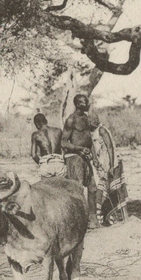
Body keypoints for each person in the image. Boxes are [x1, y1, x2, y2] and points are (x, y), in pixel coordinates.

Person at [62, 94, 102, 228]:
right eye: (86, 103)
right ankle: (77, 221)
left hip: (86, 157)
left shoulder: (86, 118)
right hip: (75, 158)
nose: (88, 104)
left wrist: (95, 158)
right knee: (77, 189)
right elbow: (63, 142)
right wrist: (79, 149)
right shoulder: (70, 120)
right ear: (78, 104)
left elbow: (89, 139)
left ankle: (92, 219)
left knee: (93, 188)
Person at [31, 113, 66, 178]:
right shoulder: (58, 131)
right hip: (59, 162)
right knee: (61, 187)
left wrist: (41, 163)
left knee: (45, 187)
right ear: (46, 121)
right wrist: (62, 160)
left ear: (37, 124)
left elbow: (33, 155)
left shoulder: (36, 134)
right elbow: (64, 148)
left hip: (45, 164)